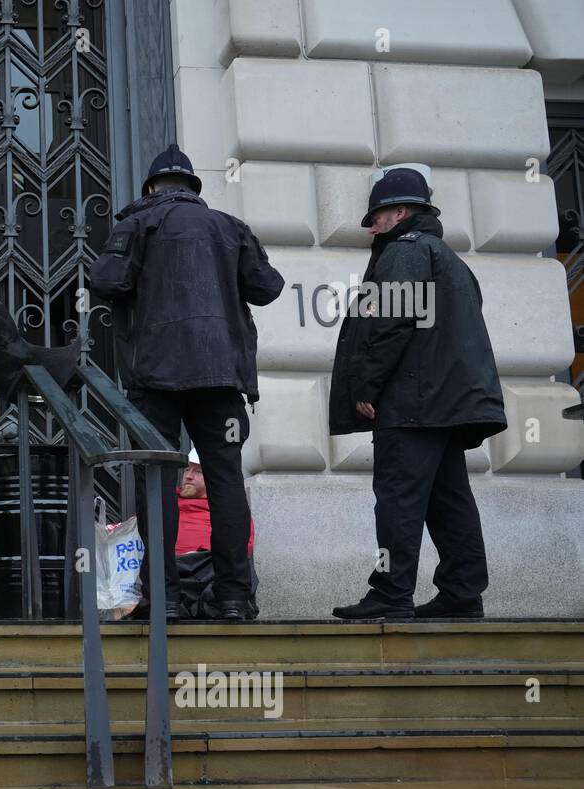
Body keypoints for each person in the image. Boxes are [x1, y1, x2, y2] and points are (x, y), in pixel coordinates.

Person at [89, 144, 285, 622]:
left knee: (157, 482)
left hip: (155, 376)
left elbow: (106, 282)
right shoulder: (229, 227)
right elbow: (269, 287)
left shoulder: (137, 223)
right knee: (225, 483)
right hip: (221, 378)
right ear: (194, 189)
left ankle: (166, 597)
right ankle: (234, 597)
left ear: (153, 188)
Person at [329, 167, 506, 620]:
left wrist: (367, 384)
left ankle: (390, 593)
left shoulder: (404, 253)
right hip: (445, 407)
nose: (372, 226)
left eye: (378, 216)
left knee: (397, 501)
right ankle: (463, 593)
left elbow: (391, 324)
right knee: (450, 502)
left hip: (411, 405)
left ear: (400, 212)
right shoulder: (449, 260)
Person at [174, 446, 258, 619]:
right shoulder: (163, 502)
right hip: (170, 571)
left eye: (198, 472)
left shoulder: (230, 509)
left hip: (210, 573)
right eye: (187, 469)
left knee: (236, 564)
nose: (188, 476)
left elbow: (241, 550)